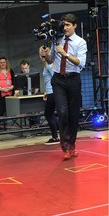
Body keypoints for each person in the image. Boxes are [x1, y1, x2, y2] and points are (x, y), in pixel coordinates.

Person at [39, 13, 87, 160]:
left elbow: (81, 62)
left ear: (74, 26)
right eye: (64, 25)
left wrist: (65, 54)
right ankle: (65, 147)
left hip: (73, 79)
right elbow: (51, 59)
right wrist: (45, 55)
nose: (64, 28)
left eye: (68, 25)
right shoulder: (57, 39)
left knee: (73, 115)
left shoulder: (80, 42)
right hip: (58, 79)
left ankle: (72, 146)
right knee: (62, 112)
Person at [39, 46, 60, 145]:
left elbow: (54, 76)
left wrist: (50, 91)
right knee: (49, 114)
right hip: (50, 92)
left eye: (43, 52)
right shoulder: (46, 65)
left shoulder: (50, 65)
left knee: (48, 114)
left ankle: (55, 137)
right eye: (40, 52)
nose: (41, 54)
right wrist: (47, 91)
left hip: (53, 92)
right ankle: (56, 135)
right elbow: (49, 80)